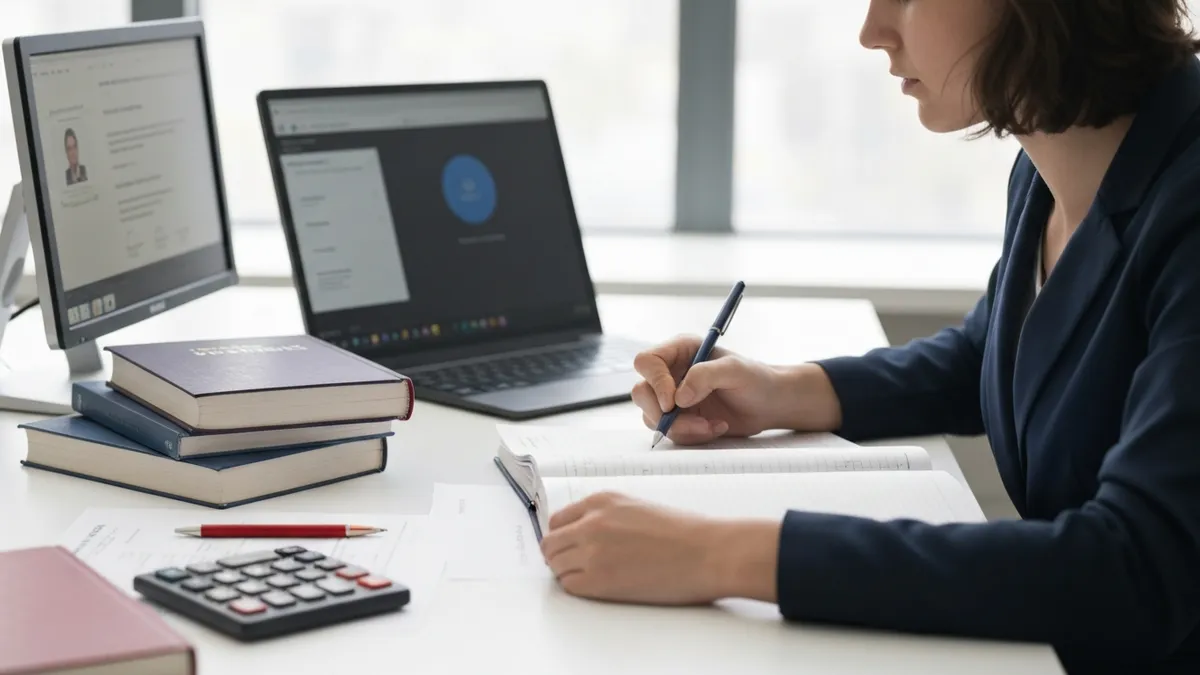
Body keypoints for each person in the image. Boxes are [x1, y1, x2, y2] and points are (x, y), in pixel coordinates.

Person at [538, 1, 1200, 673]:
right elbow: (995, 351)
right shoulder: (1052, 163)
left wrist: (715, 555)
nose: (872, 31)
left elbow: (1132, 568)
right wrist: (782, 391)